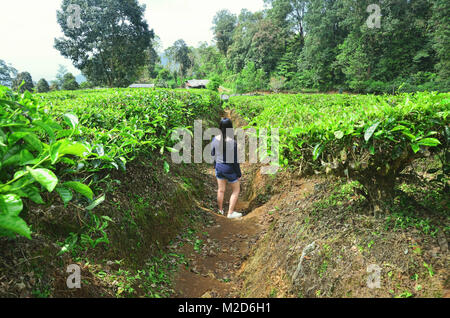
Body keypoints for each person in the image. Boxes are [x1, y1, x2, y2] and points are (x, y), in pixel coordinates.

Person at [211, 118, 243, 219]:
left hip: (219, 167)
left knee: (221, 190)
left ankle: (220, 210)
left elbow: (212, 154)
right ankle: (230, 213)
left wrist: (215, 165)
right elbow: (234, 161)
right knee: (236, 190)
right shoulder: (232, 142)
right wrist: (238, 174)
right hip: (229, 169)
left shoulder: (214, 139)